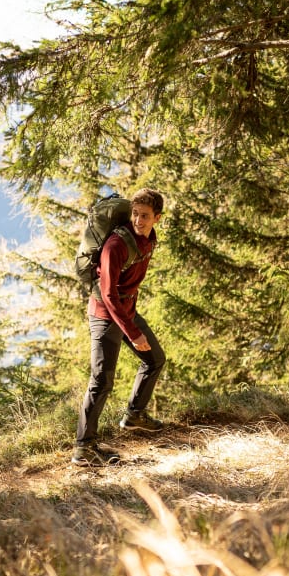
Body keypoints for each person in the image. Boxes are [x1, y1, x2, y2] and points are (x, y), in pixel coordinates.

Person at [74, 187, 167, 466]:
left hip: (126, 310)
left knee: (155, 359)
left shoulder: (149, 239)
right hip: (105, 315)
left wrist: (132, 322)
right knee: (101, 380)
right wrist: (133, 332)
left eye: (145, 216)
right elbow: (108, 294)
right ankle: (83, 448)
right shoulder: (116, 245)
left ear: (157, 218)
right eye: (135, 214)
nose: (139, 220)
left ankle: (134, 415)